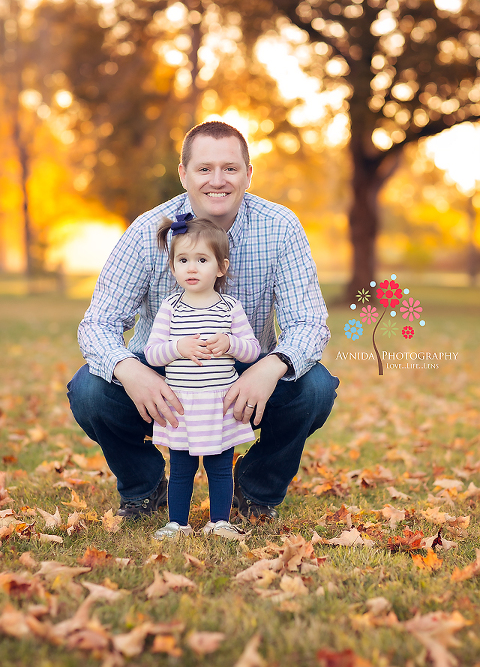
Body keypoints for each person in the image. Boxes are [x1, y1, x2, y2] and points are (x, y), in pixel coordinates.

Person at [67, 120, 339, 522]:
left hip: (245, 370)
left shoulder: (281, 227)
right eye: (204, 168)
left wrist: (269, 367)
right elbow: (98, 323)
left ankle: (256, 489)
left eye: (230, 168)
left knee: (314, 388)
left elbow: (310, 322)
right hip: (161, 372)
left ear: (248, 173)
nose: (218, 180)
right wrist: (129, 370)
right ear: (184, 174)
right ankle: (144, 487)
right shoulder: (148, 231)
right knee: (89, 391)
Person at [144, 214, 260, 539]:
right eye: (183, 260)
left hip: (218, 403)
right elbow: (152, 354)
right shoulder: (171, 308)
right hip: (181, 404)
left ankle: (219, 522)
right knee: (181, 468)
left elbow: (252, 350)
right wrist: (178, 347)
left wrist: (231, 343)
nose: (191, 268)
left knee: (220, 467)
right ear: (173, 267)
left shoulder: (229, 308)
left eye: (201, 259)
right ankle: (177, 523)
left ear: (220, 267)